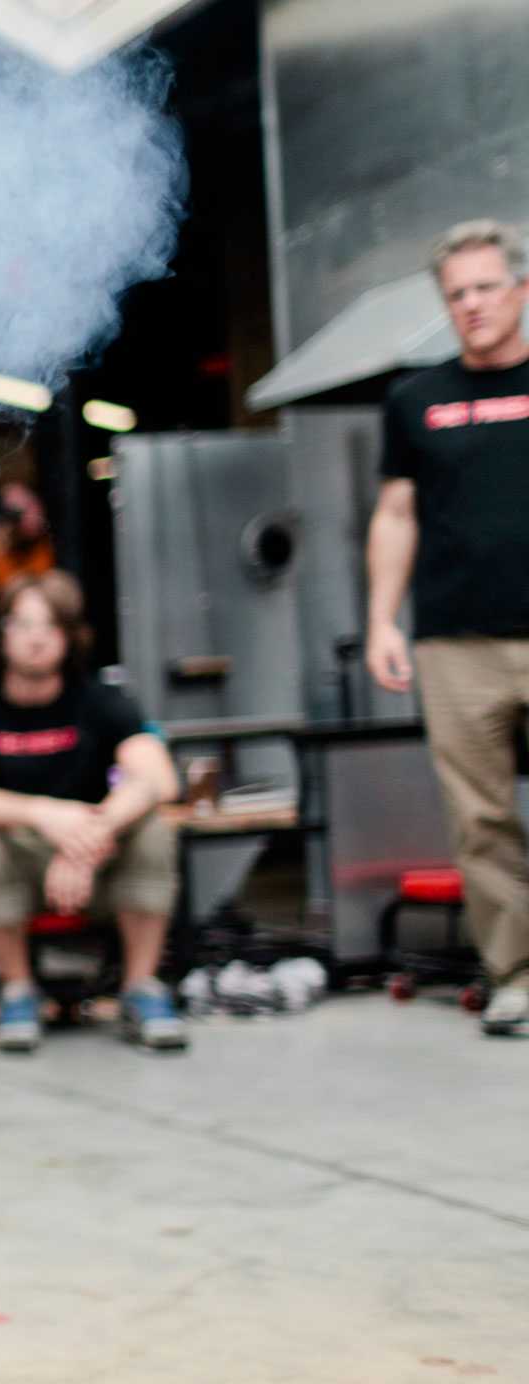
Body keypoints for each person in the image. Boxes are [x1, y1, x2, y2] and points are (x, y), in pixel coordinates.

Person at [367, 218, 529, 1037]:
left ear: (521, 292)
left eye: (485, 287)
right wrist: (381, 622)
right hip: (454, 643)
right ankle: (519, 978)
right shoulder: (415, 401)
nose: (470, 304)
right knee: (482, 820)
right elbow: (396, 514)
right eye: (455, 294)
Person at [0, 571, 185, 1053]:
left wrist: (94, 835)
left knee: (153, 828)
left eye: (51, 627)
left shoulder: (101, 702)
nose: (36, 638)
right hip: (22, 860)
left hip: (98, 857)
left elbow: (159, 779)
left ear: (69, 638)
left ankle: (141, 988)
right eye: (23, 624)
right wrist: (49, 815)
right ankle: (18, 990)